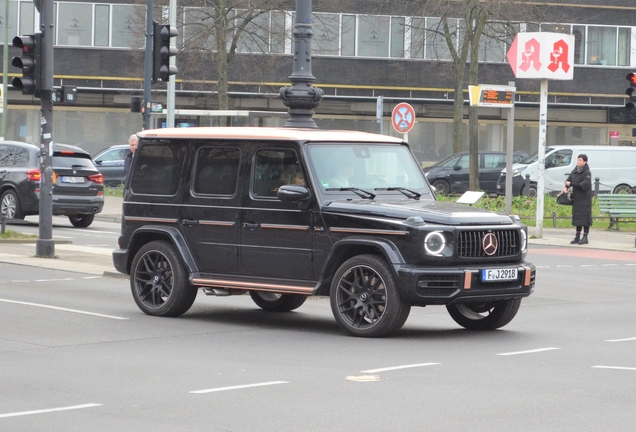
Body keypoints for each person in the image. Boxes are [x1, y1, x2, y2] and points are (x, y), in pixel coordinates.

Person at [564, 153, 593, 245]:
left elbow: (583, 185)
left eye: (580, 160)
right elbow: (568, 180)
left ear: (585, 162)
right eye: (578, 160)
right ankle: (577, 236)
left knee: (585, 217)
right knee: (578, 217)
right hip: (577, 199)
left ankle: (585, 237)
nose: (578, 162)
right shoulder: (574, 171)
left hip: (585, 199)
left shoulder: (587, 173)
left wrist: (571, 184)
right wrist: (566, 187)